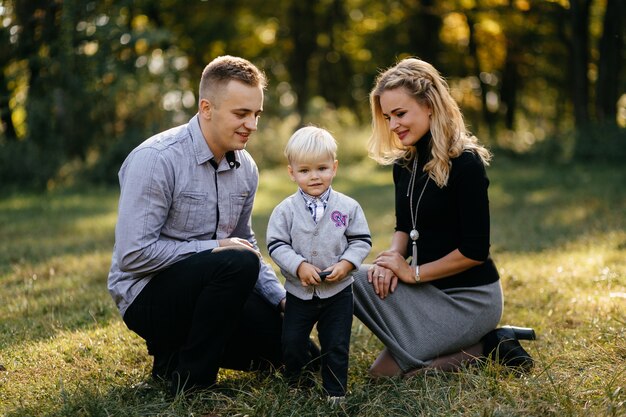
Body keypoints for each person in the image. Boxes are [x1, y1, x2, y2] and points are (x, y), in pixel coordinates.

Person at [108, 55, 293, 395]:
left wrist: (280, 299)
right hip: (147, 296)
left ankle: (172, 358)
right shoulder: (157, 159)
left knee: (295, 351)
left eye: (256, 114)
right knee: (234, 262)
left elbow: (243, 242)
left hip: (215, 289)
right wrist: (215, 248)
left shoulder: (246, 167)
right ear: (207, 108)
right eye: (241, 114)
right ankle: (192, 382)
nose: (252, 125)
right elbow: (133, 256)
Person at [352, 57, 535, 377]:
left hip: (470, 300)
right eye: (387, 116)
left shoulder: (466, 163)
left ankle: (490, 344)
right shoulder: (403, 164)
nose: (393, 125)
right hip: (427, 291)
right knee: (353, 279)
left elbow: (475, 251)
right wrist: (391, 259)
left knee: (401, 376)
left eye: (400, 113)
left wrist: (412, 274)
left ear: (429, 106)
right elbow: (404, 227)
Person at [266, 126, 372, 402]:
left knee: (336, 343)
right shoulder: (285, 211)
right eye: (305, 170)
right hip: (299, 293)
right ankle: (297, 384)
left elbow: (361, 240)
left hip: (338, 293)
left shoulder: (348, 207)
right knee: (292, 342)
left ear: (334, 167)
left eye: (322, 168)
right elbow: (277, 245)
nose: (314, 176)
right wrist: (299, 266)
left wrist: (347, 264)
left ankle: (335, 391)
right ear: (292, 172)